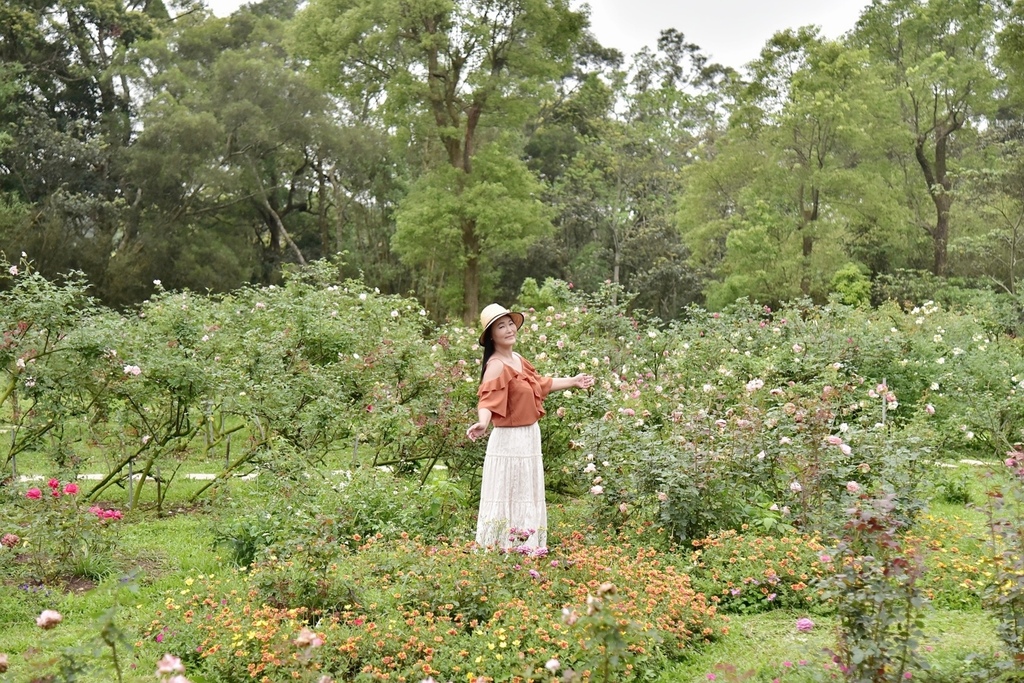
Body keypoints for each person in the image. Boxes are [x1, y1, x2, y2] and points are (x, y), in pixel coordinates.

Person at [466, 303, 594, 552]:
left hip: (528, 437)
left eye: (510, 323)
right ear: (491, 336)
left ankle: (525, 547)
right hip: (509, 441)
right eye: (501, 326)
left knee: (525, 491)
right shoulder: (496, 365)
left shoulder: (517, 360)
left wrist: (574, 381)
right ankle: (501, 548)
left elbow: (541, 384)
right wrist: (483, 422)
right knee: (509, 492)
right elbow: (487, 399)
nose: (509, 329)